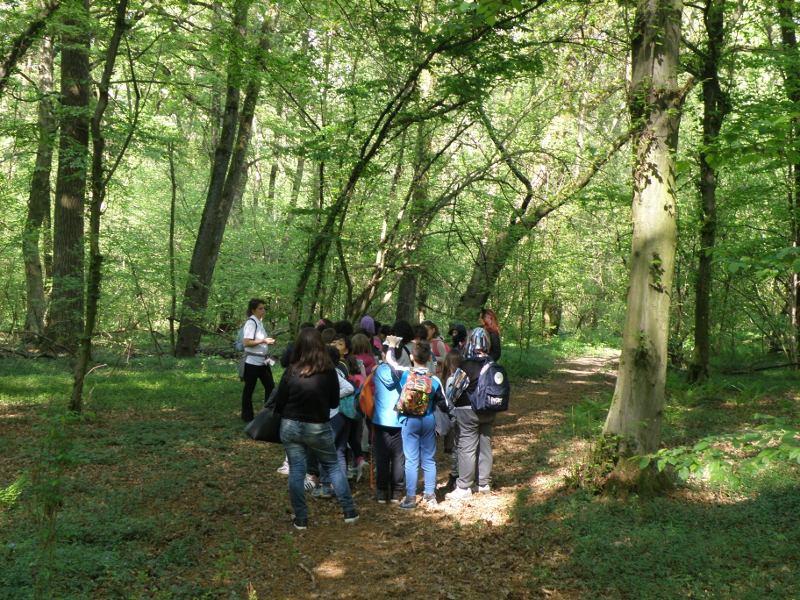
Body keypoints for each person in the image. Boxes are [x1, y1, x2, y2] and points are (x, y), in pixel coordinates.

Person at [274, 328, 359, 529]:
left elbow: (279, 402)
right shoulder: (328, 371)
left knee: (297, 470)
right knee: (333, 466)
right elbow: (332, 403)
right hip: (317, 426)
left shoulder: (292, 370)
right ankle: (349, 511)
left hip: (291, 425)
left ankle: (301, 518)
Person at [385, 338, 446, 510]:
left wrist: (391, 345)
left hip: (409, 421)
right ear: (429, 359)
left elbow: (391, 362)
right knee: (429, 459)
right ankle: (430, 495)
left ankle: (410, 498)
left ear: (412, 357)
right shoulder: (434, 380)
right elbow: (445, 404)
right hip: (427, 421)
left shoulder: (405, 375)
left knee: (411, 460)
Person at [446, 327, 496, 501]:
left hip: (468, 411)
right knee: (485, 444)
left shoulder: (467, 365)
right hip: (489, 410)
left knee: (466, 447)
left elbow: (454, 391)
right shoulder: (492, 363)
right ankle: (483, 483)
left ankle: (464, 486)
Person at [371, 362, 405, 503]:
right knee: (398, 457)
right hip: (398, 419)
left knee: (381, 457)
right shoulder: (404, 372)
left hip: (380, 419)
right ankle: (397, 492)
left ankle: (381, 491)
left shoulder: (377, 370)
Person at [240, 298, 276, 422]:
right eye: (260, 308)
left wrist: (267, 342)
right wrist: (264, 341)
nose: (263, 311)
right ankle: (247, 416)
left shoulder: (259, 322)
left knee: (270, 386)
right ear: (253, 310)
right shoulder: (251, 323)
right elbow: (246, 342)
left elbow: (259, 341)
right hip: (252, 363)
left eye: (264, 308)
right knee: (249, 389)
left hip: (263, 361)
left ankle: (268, 414)